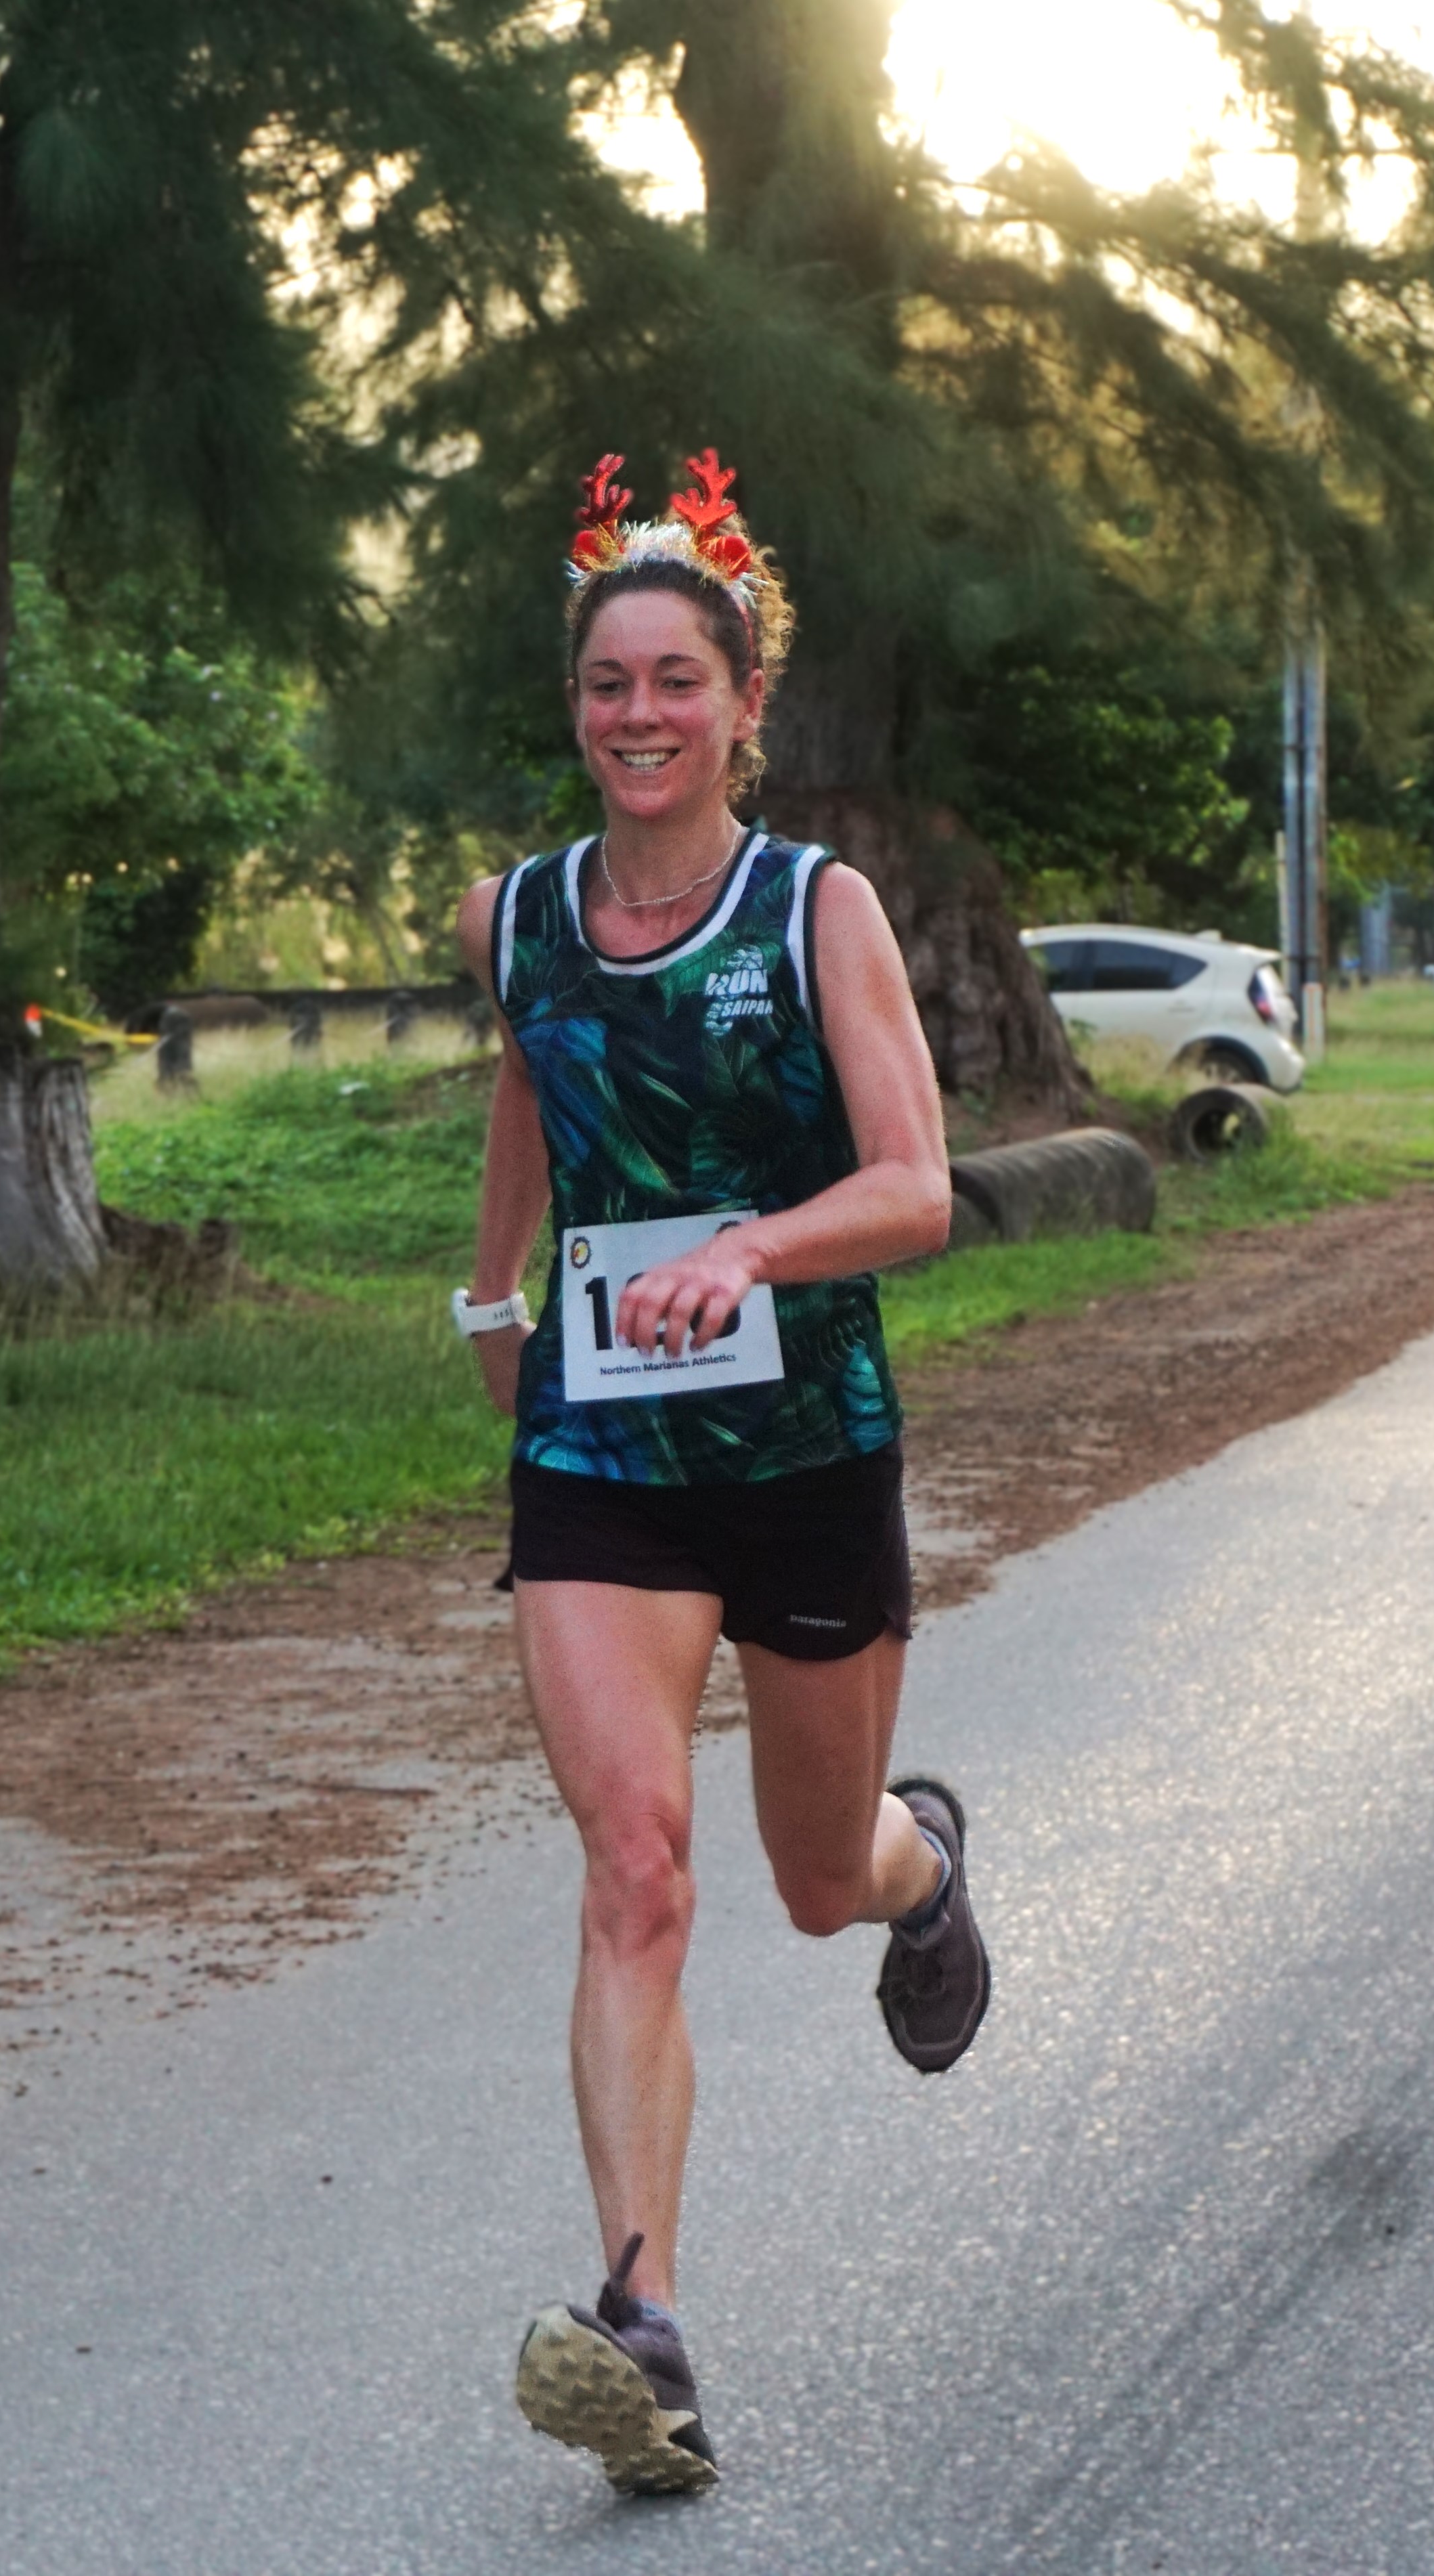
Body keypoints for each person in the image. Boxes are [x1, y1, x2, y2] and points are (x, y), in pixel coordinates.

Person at [452, 449, 991, 2498]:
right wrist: (488, 1304)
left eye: (678, 679)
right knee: (635, 1866)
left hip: (798, 1452)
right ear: (576, 704)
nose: (640, 714)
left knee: (801, 1870)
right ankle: (642, 2326)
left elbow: (918, 1190)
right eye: (608, 682)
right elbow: (532, 1086)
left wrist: (752, 1247)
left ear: (742, 703)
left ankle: (916, 1869)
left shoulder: (813, 908)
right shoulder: (521, 914)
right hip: (601, 1453)